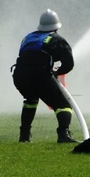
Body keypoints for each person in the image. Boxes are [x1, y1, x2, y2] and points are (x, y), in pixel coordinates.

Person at [12, 9, 77, 143]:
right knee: (63, 104)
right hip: (39, 76)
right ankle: (63, 135)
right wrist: (57, 72)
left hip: (20, 77)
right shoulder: (57, 39)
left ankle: (24, 136)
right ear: (57, 27)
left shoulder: (28, 37)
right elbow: (69, 64)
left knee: (30, 99)